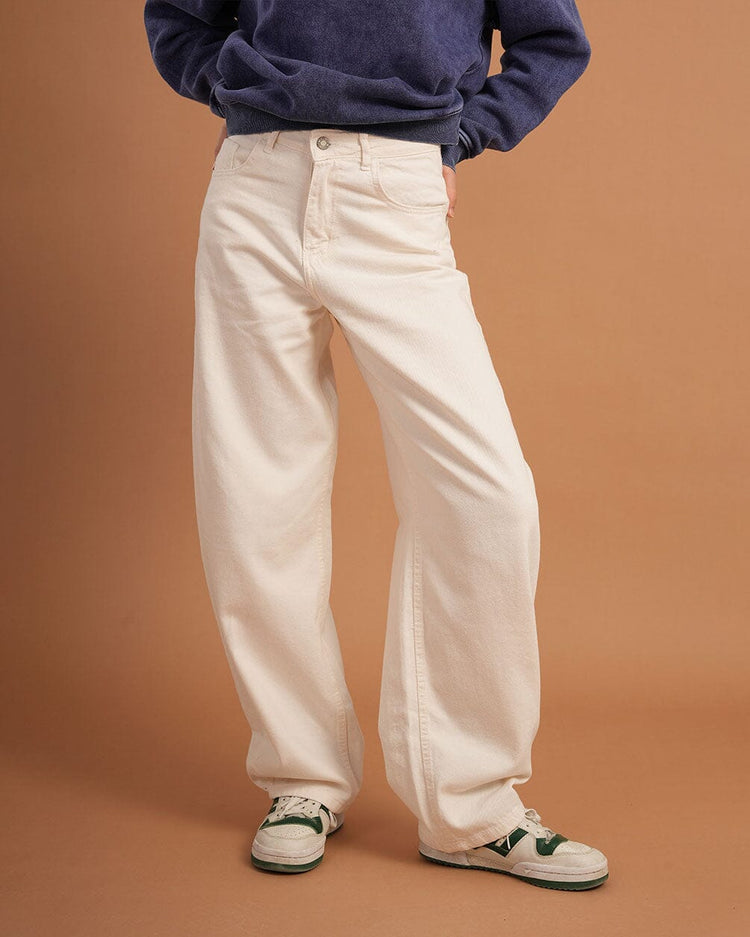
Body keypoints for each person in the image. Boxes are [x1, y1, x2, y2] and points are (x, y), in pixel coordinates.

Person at [143, 0, 609, 890]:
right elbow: (178, 14)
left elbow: (553, 39)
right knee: (255, 495)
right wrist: (235, 90)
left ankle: (472, 804)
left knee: (486, 494)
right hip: (256, 181)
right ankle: (302, 776)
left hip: (396, 185)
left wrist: (460, 137)